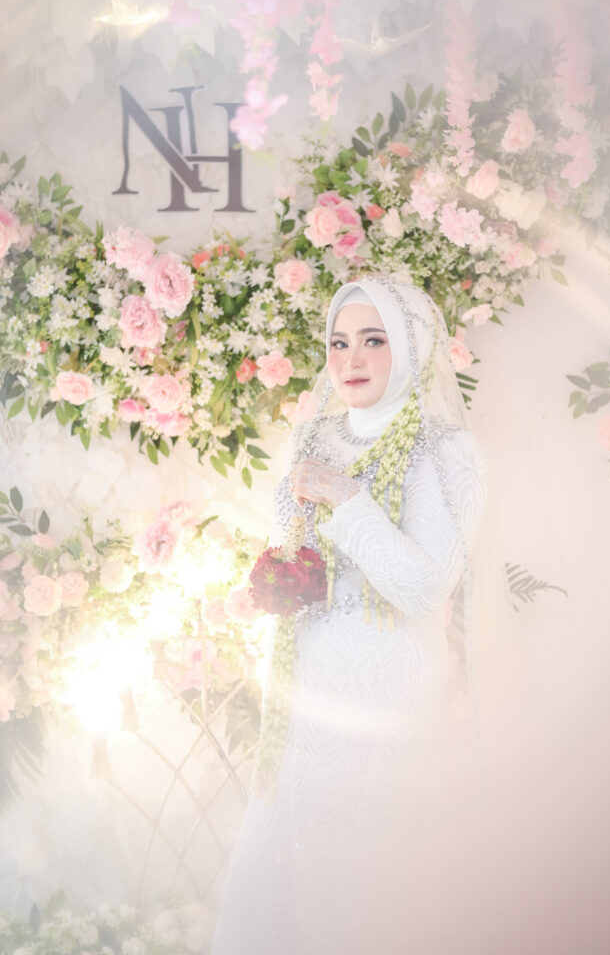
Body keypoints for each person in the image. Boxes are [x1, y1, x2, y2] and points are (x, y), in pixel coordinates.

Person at [209, 276, 489, 955]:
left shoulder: (444, 449)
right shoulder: (316, 437)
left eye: (373, 340)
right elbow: (295, 548)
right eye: (338, 343)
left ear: (412, 347)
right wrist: (276, 580)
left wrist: (347, 498)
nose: (351, 359)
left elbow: (425, 589)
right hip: (307, 685)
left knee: (374, 876)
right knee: (295, 869)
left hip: (390, 690)